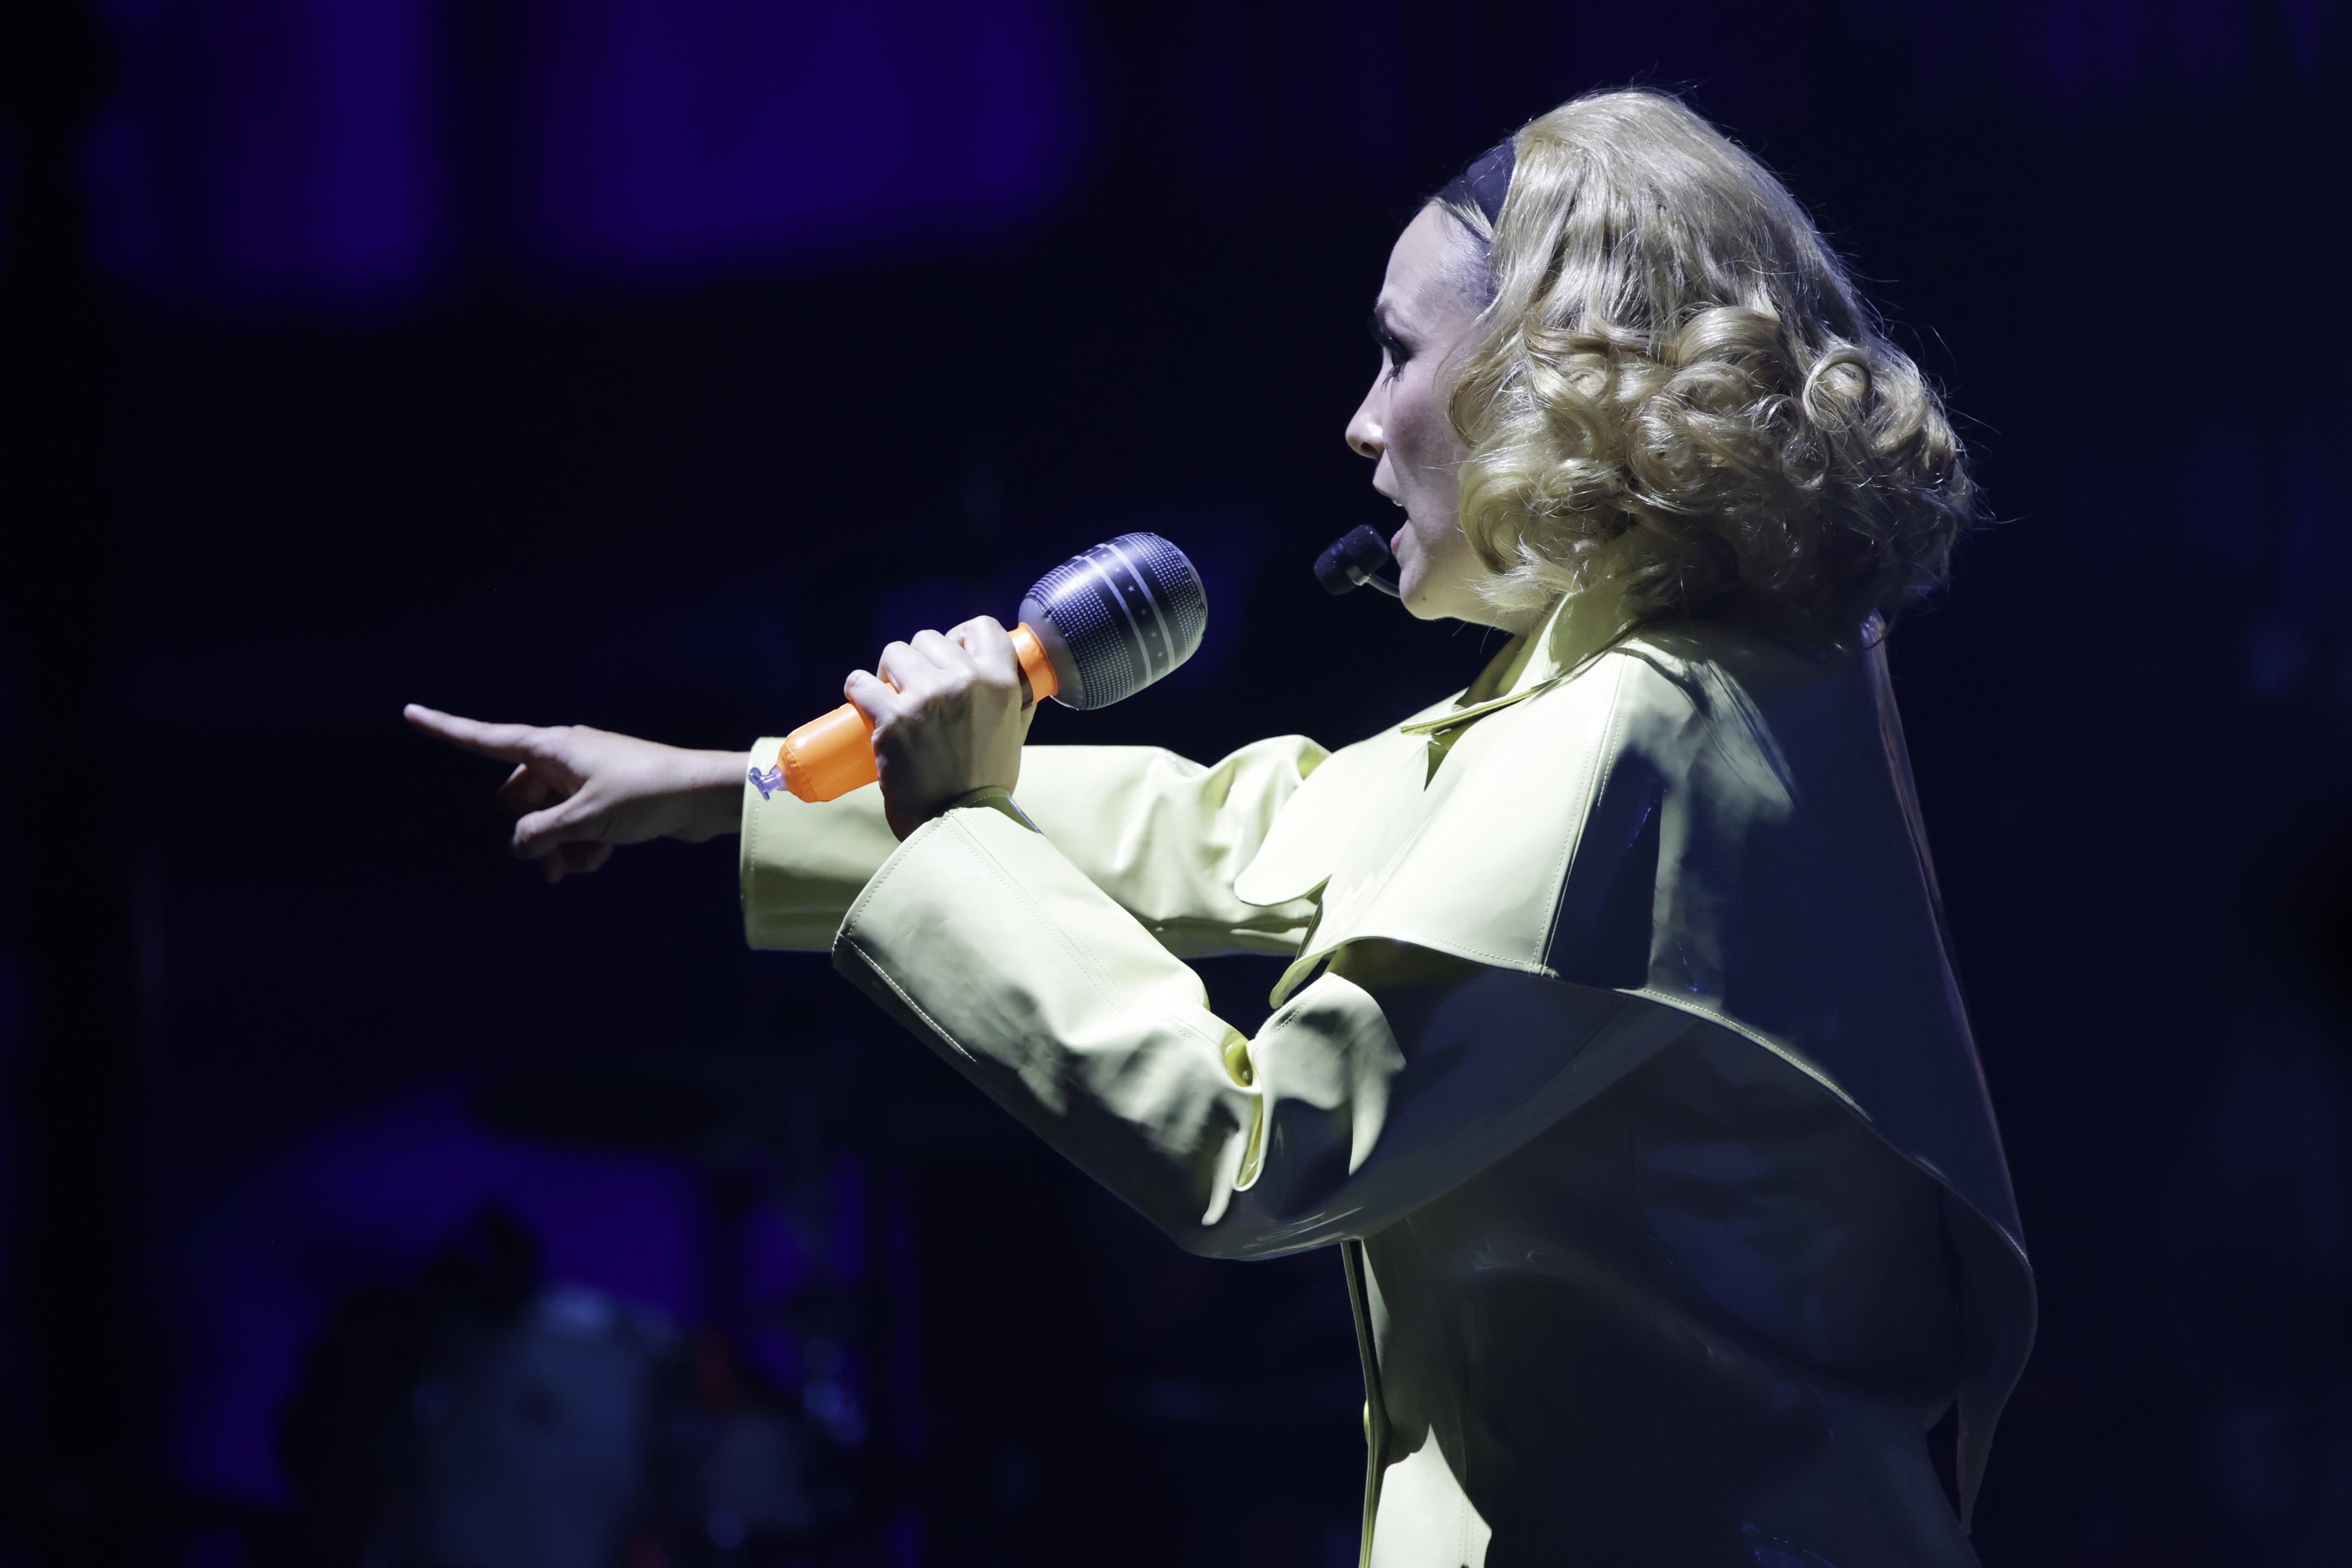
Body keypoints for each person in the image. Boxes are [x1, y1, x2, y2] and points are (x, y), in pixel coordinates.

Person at [410, 88, 2034, 1568]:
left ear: (1553, 375)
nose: (1361, 423)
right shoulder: (1689, 683)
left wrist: (952, 833)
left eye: (1398, 354)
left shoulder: (1641, 732)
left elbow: (1260, 1152)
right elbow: (1246, 826)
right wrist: (729, 788)